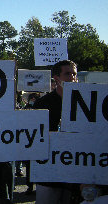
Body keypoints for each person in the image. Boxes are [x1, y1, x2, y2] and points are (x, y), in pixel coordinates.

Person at [33, 60, 78, 204]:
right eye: (67, 74)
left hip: (75, 167)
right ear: (56, 78)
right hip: (48, 170)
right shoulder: (42, 104)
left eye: (74, 74)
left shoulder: (84, 103)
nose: (72, 77)